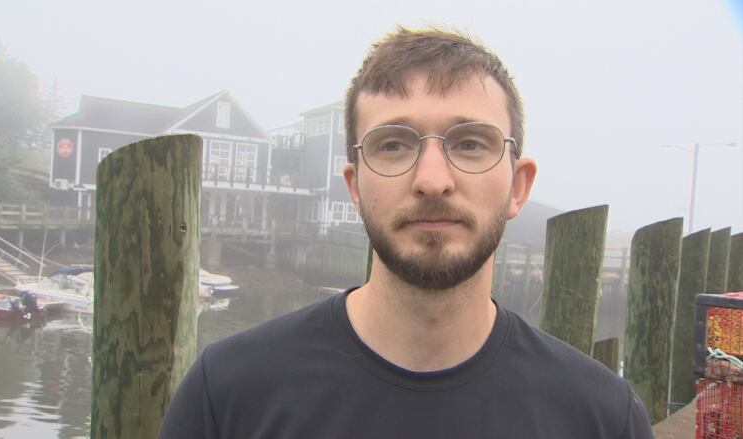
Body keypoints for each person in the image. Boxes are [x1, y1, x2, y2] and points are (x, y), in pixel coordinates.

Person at [159, 27, 653, 438]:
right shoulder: (226, 395)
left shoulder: (603, 418)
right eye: (393, 144)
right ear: (354, 186)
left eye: (470, 144)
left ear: (518, 186)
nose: (433, 180)